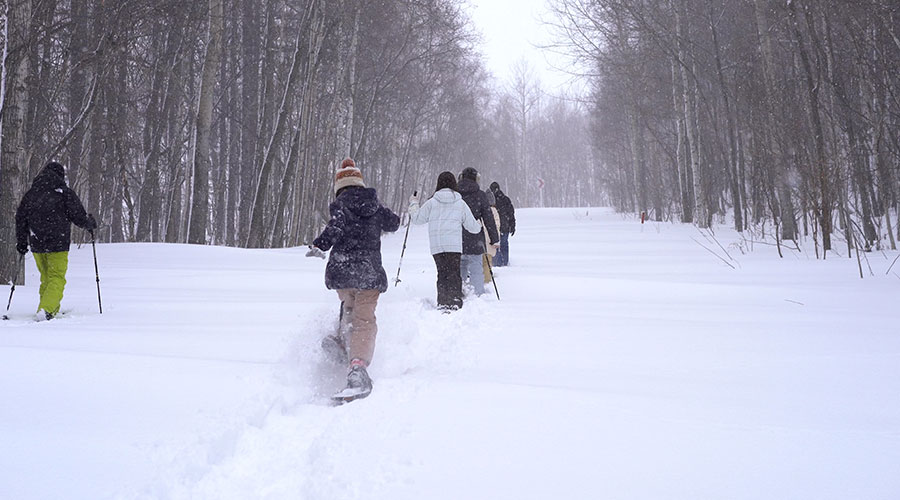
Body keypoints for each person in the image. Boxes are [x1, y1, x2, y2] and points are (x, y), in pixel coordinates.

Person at [306, 158, 400, 402]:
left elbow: (335, 228)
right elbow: (395, 223)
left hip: (344, 270)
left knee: (349, 308)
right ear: (359, 182)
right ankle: (357, 367)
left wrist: (319, 245)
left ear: (340, 185)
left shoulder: (340, 205)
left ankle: (342, 341)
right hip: (368, 271)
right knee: (364, 319)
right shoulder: (375, 205)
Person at [15, 161, 97, 321]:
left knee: (46, 278)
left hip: (37, 243)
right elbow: (78, 216)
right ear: (61, 176)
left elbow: (21, 218)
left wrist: (22, 242)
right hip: (57, 243)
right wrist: (89, 223)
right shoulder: (63, 193)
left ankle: (50, 307)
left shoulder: (31, 194)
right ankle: (46, 310)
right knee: (57, 277)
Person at [408, 171, 482, 311]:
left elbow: (417, 219)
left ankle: (443, 301)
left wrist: (413, 203)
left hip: (437, 246)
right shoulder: (460, 203)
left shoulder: (432, 203)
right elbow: (472, 227)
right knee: (454, 273)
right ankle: (454, 300)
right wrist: (479, 225)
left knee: (442, 273)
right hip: (454, 246)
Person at [456, 167, 499, 296]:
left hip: (457, 237)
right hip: (475, 237)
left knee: (461, 265)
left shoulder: (455, 195)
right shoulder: (480, 195)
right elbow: (488, 218)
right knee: (476, 265)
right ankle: (478, 293)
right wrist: (494, 238)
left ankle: (460, 289)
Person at [489, 181, 516, 267]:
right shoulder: (506, 199)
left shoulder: (491, 201)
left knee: (495, 244)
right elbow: (511, 213)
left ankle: (497, 263)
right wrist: (512, 225)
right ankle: (505, 261)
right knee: (504, 244)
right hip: (505, 226)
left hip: (495, 226)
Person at [482, 189, 501, 285]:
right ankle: (487, 280)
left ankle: (479, 280)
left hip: (480, 240)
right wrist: (496, 240)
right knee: (488, 263)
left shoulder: (481, 209)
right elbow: (497, 226)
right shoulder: (494, 211)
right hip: (490, 239)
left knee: (479, 262)